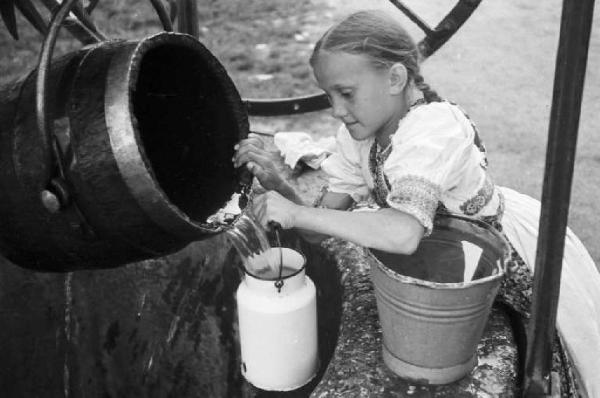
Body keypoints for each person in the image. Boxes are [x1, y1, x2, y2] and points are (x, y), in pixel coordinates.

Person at [233, 10, 600, 397]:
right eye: (329, 95)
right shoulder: (359, 136)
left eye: (346, 93)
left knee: (540, 360)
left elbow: (403, 233)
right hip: (437, 263)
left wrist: (297, 211)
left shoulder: (434, 129)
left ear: (395, 78)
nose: (337, 110)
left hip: (496, 254)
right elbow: (316, 229)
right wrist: (277, 181)